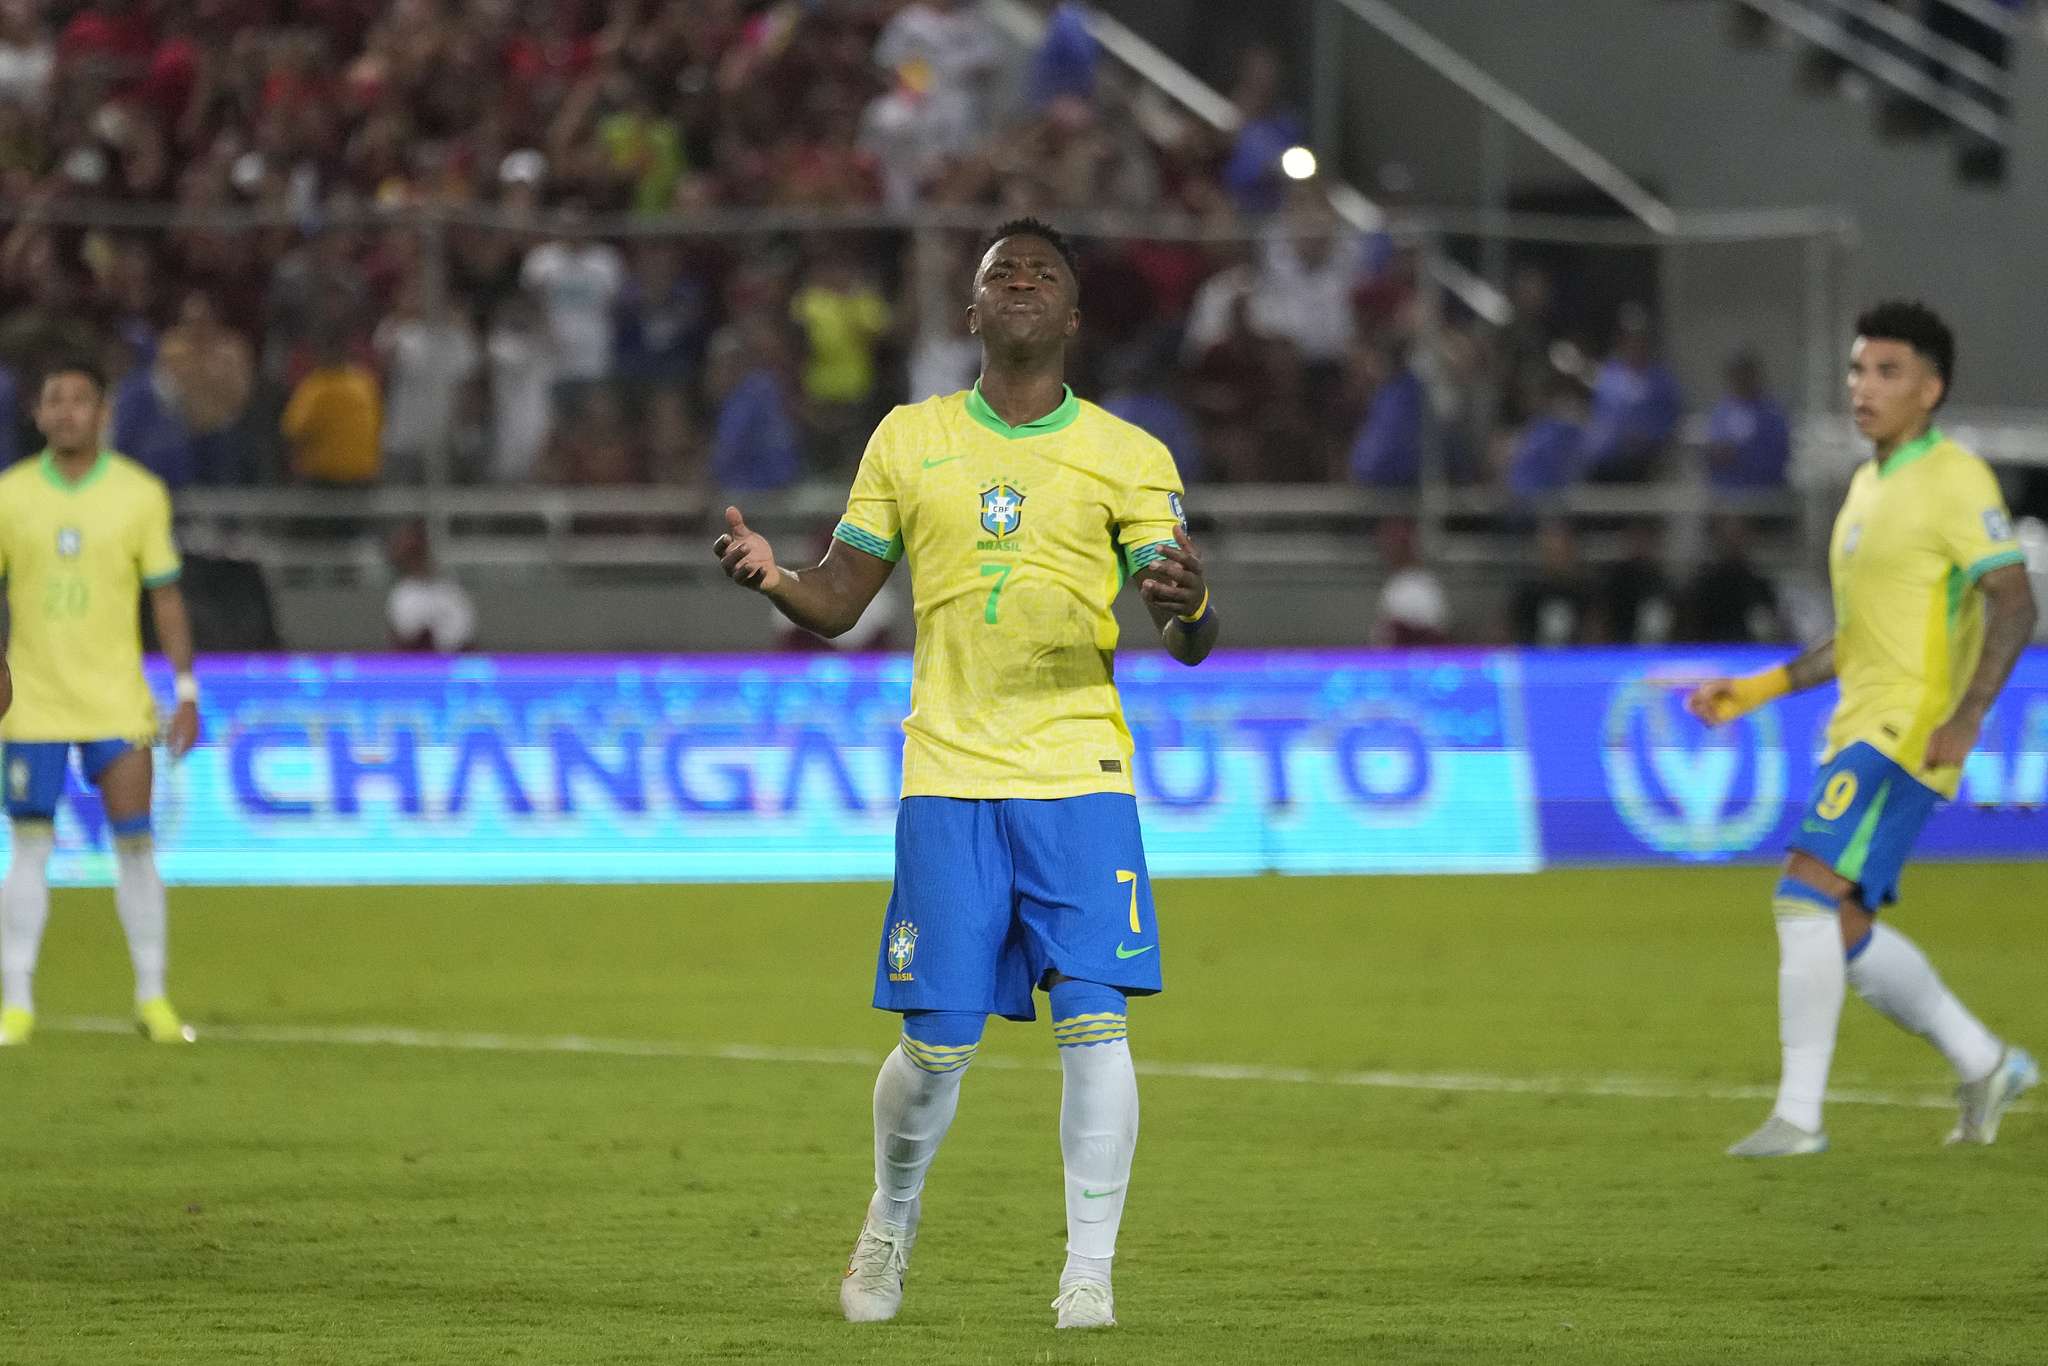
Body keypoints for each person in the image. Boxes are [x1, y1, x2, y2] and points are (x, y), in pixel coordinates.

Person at [712, 219, 1217, 1330]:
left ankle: (1088, 1269)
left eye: (1043, 272)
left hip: (1079, 770)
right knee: (936, 1043)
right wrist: (773, 579)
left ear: (1073, 316)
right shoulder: (909, 437)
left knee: (1096, 1019)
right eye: (1001, 272)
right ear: (970, 312)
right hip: (946, 771)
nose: (1021, 281)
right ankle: (889, 1221)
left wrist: (1190, 607)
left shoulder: (1129, 456)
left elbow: (1178, 623)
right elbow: (841, 598)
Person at [1687, 301, 2037, 1158]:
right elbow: (1856, 637)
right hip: (1861, 720)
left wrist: (1966, 717)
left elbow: (2016, 601)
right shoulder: (1865, 489)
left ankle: (1799, 1118)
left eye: (1886, 372)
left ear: (1932, 387)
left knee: (1801, 892)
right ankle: (1984, 1060)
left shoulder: (1956, 480)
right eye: (1855, 370)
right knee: (1837, 925)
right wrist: (1757, 689)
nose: (1863, 387)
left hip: (1907, 727)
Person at [0, 358, 200, 1047]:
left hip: (117, 698)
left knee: (137, 844)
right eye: (53, 399)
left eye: (78, 399)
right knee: (28, 847)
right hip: (33, 700)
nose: (65, 411)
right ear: (38, 414)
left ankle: (153, 998)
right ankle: (16, 1004)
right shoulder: (10, 495)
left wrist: (187, 689)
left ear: (102, 412)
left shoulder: (139, 495)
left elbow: (165, 594)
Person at [1582, 303, 1681, 483]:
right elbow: (1598, 415)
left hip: (1646, 465)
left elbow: (1670, 420)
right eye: (1629, 337)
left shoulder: (1662, 380)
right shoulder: (1607, 374)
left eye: (1639, 338)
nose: (1634, 344)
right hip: (1604, 463)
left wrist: (1648, 438)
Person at [281, 331, 382, 485]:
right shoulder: (364, 384)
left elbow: (293, 430)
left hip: (322, 482)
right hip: (363, 482)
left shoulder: (317, 386)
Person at [1678, 517, 1781, 643]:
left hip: (1750, 655)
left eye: (1739, 536)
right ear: (1719, 540)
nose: (1734, 542)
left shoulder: (1759, 587)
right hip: (1709, 654)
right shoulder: (1703, 587)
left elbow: (1771, 630)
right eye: (1728, 537)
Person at [1703, 353, 1792, 489]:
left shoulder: (1771, 414)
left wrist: (1741, 455)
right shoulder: (1722, 411)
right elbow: (1712, 444)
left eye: (1745, 376)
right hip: (1724, 494)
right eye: (1736, 377)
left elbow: (1778, 458)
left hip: (1762, 495)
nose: (1741, 381)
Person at [385, 521, 475, 653]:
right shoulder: (401, 594)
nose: (416, 561)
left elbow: (465, 631)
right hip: (418, 664)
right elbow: (407, 634)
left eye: (419, 554)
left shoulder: (449, 590)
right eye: (410, 556)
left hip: (452, 662)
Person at [1506, 519, 1596, 646]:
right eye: (1549, 551)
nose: (1554, 557)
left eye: (1560, 551)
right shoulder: (1528, 594)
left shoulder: (1587, 593)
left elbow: (1595, 636)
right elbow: (1511, 632)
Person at [1372, 517, 1450, 646]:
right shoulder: (1395, 582)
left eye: (1398, 545)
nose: (1390, 551)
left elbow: (1434, 636)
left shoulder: (1422, 586)